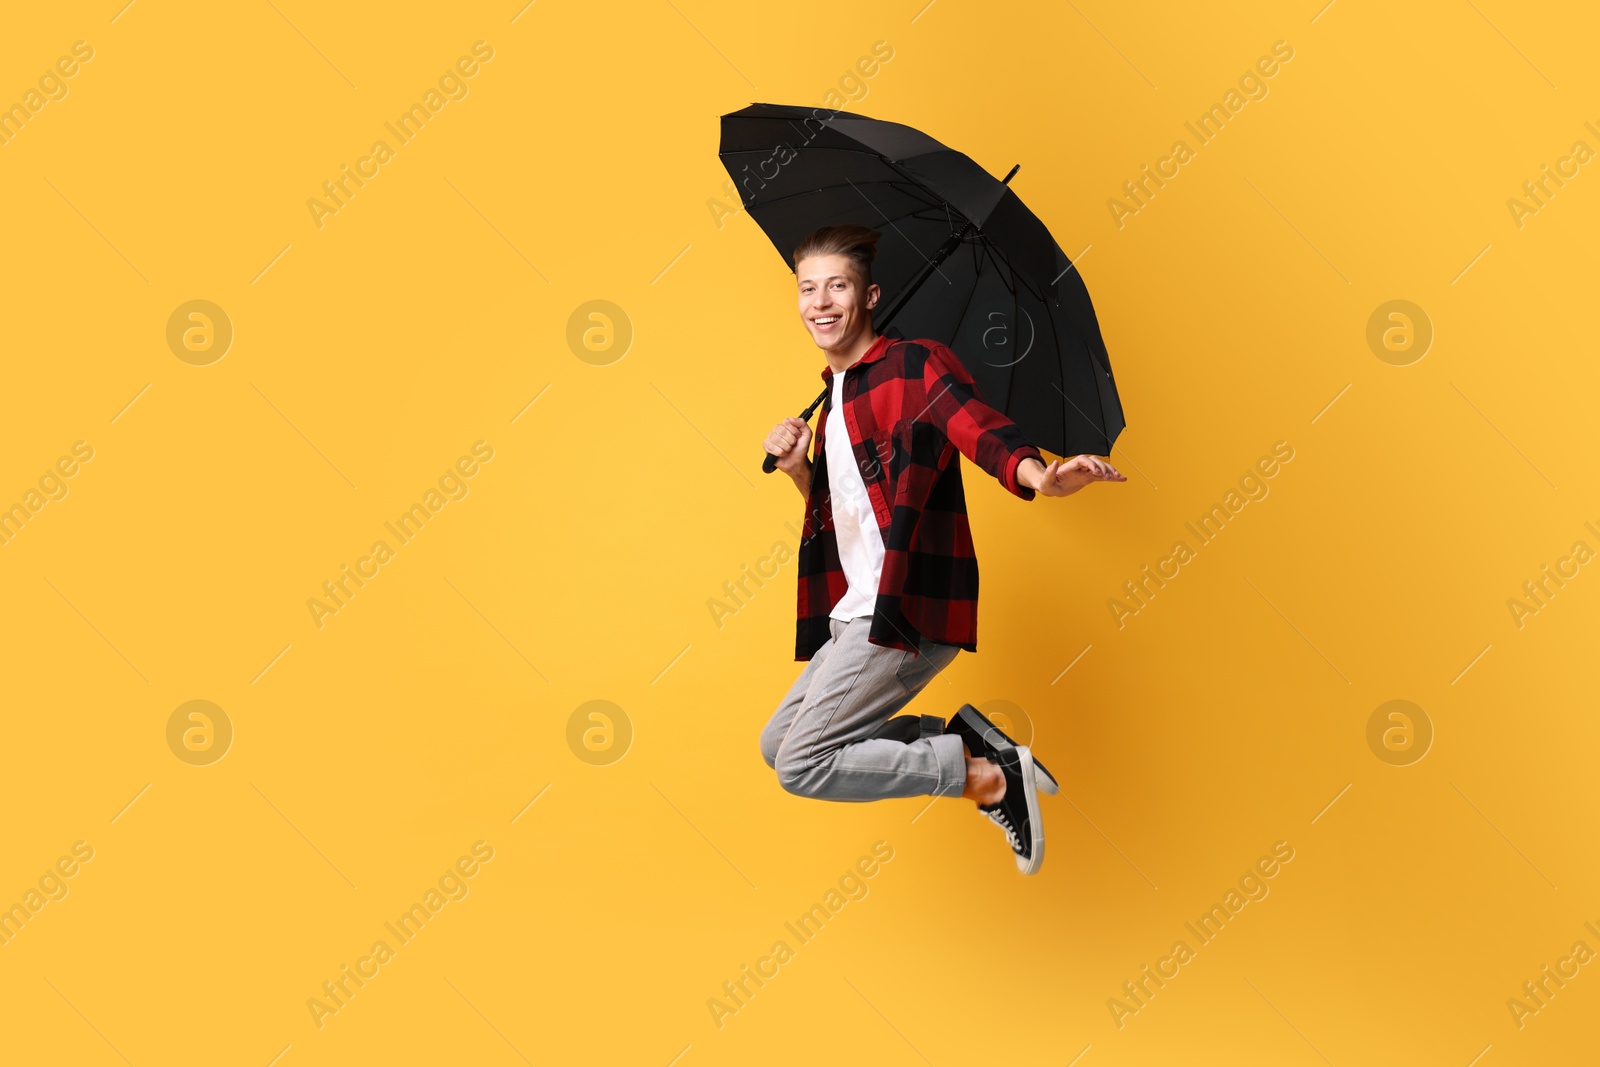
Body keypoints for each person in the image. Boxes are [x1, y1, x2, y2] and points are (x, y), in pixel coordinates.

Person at [757, 224, 1125, 874]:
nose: (820, 302)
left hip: (904, 613)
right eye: (807, 288)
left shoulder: (913, 364)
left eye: (836, 286)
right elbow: (845, 515)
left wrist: (1036, 473)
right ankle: (961, 739)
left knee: (802, 764)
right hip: (855, 613)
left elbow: (971, 420)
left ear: (870, 295)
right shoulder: (834, 398)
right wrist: (797, 467)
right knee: (777, 742)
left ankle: (982, 777)